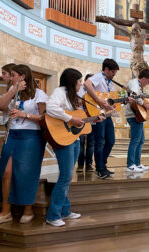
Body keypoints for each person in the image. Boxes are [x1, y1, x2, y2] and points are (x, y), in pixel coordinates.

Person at [0, 64, 48, 225]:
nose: (11, 78)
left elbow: (44, 118)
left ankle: (28, 210)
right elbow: (0, 105)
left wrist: (24, 114)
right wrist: (14, 90)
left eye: (13, 75)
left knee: (26, 174)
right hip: (12, 135)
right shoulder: (13, 92)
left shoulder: (39, 94)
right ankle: (5, 212)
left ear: (22, 76)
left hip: (31, 137)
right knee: (6, 173)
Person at [45, 68, 104, 227]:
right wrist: (70, 118)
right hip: (63, 139)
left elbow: (79, 120)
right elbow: (50, 108)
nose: (81, 84)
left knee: (67, 176)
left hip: (73, 139)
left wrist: (93, 120)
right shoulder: (60, 92)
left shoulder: (72, 96)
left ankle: (65, 210)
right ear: (73, 82)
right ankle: (53, 215)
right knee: (66, 176)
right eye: (79, 81)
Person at [83, 58, 119, 178]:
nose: (114, 75)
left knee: (110, 140)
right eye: (113, 72)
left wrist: (113, 105)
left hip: (107, 115)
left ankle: (102, 165)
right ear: (106, 69)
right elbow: (87, 84)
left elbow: (111, 100)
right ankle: (99, 168)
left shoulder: (109, 82)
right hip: (98, 114)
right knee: (100, 141)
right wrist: (98, 100)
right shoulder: (99, 76)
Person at [125, 69, 149, 172]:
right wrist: (144, 104)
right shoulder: (134, 83)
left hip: (137, 115)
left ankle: (137, 163)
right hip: (133, 115)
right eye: (148, 81)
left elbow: (141, 99)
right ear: (143, 78)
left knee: (141, 140)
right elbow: (134, 96)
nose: (148, 84)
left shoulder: (138, 85)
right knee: (135, 140)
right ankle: (130, 165)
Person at [76, 73, 95, 173]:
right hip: (81, 119)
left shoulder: (96, 92)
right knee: (81, 143)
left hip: (92, 121)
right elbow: (78, 102)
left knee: (91, 144)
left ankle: (89, 165)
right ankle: (80, 165)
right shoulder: (80, 90)